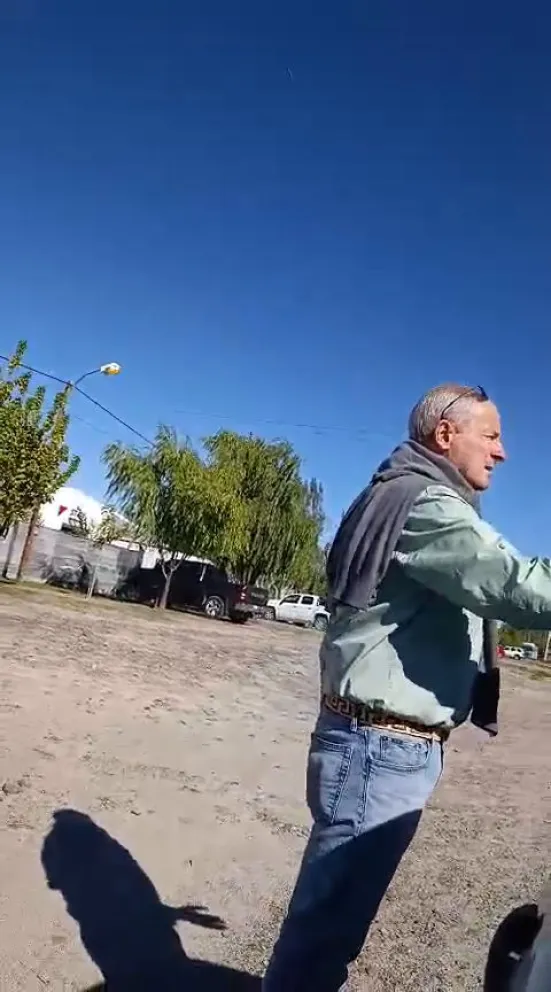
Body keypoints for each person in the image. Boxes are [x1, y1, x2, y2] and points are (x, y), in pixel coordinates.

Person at [263, 383, 551, 992]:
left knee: (327, 918)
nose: (501, 453)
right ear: (446, 435)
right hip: (380, 750)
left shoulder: (399, 492)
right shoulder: (428, 505)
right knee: (327, 931)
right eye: (492, 436)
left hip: (372, 743)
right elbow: (521, 588)